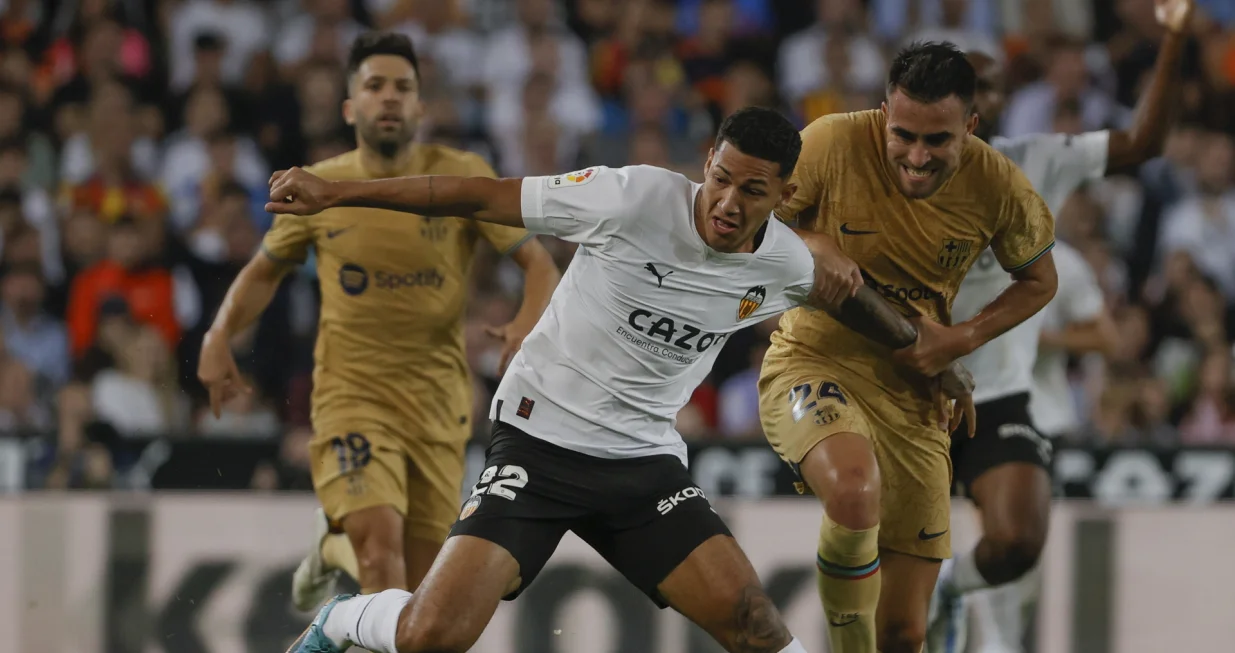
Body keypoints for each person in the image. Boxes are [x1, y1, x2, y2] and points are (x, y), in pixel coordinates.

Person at [267, 106, 972, 653]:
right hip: (538, 442)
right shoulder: (629, 197)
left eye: (751, 191)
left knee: (756, 625)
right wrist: (338, 192)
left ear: (783, 195)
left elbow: (855, 299)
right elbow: (478, 195)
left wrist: (934, 364)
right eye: (720, 177)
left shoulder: (786, 261)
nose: (727, 201)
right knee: (432, 636)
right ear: (707, 162)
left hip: (642, 466)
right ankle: (342, 616)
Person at [196, 32, 562, 609]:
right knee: (380, 556)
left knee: (412, 606)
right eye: (374, 86)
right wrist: (218, 335)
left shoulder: (461, 174)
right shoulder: (321, 186)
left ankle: (330, 547)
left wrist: (525, 325)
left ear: (420, 106)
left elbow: (539, 264)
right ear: (350, 107)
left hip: (438, 407)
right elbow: (264, 271)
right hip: (353, 395)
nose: (389, 98)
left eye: (403, 88)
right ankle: (348, 545)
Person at [758, 41, 1059, 653]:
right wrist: (815, 243)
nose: (916, 158)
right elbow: (755, 221)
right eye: (903, 135)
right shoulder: (830, 142)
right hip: (814, 360)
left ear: (970, 126)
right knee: (851, 490)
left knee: (902, 633)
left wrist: (960, 339)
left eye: (937, 141)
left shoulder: (999, 184)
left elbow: (1040, 280)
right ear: (882, 112)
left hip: (914, 394)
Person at [928, 0, 1192, 649]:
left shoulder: (1036, 156)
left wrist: (1173, 39)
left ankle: (949, 590)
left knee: (1016, 542)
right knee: (877, 540)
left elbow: (1144, 144)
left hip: (996, 389)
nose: (981, 101)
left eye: (992, 88)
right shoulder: (902, 164)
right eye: (970, 87)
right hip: (910, 385)